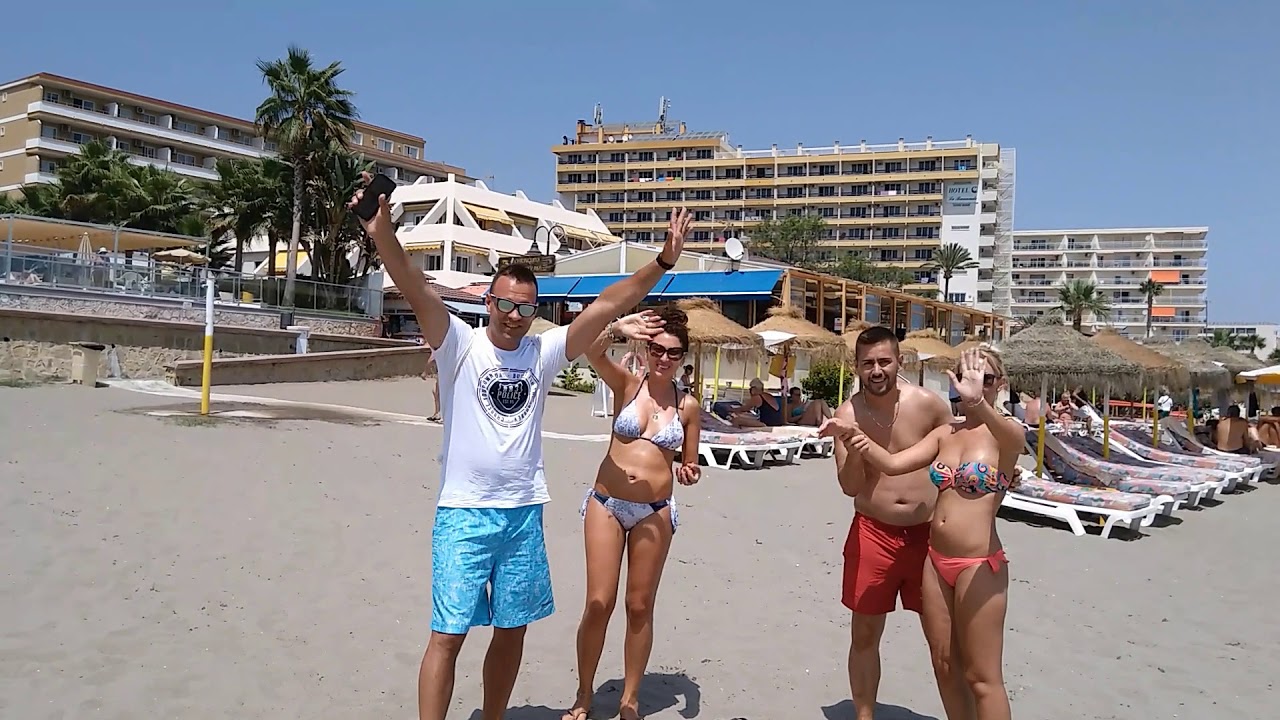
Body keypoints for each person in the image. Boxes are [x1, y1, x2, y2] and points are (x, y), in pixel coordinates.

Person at [349, 172, 692, 720]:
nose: (514, 316)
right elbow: (414, 285)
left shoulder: (542, 352)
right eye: (506, 304)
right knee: (447, 634)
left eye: (526, 308)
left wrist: (663, 261)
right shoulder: (457, 342)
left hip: (523, 512)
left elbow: (608, 303)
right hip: (464, 513)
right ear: (489, 301)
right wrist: (381, 232)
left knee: (512, 631)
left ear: (535, 311)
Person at [846, 347, 1022, 720]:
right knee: (944, 663)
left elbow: (1014, 441)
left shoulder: (1006, 434)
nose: (976, 385)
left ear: (1000, 384)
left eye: (986, 379)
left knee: (982, 677)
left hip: (978, 563)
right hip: (935, 561)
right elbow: (892, 464)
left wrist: (978, 403)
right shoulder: (946, 433)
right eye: (967, 377)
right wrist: (852, 436)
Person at [815, 325, 966, 720]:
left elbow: (959, 453)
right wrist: (853, 445)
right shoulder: (847, 415)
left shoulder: (929, 405)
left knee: (943, 640)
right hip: (873, 532)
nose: (877, 370)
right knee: (865, 635)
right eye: (868, 363)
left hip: (928, 536)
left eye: (884, 361)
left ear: (900, 362)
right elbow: (850, 487)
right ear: (857, 366)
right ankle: (864, 715)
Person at [563, 305, 702, 720]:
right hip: (607, 503)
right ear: (646, 349)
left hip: (654, 511)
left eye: (673, 353)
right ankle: (584, 694)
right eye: (657, 349)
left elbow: (689, 461)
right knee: (598, 602)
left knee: (639, 605)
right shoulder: (626, 383)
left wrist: (689, 471)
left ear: (682, 357)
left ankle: (630, 698)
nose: (663, 358)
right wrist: (617, 327)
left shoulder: (688, 406)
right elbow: (590, 349)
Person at [425, 357, 442, 423]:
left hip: (443, 373)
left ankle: (439, 414)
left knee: (437, 393)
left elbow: (431, 360)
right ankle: (437, 413)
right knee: (436, 392)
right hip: (441, 372)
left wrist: (425, 372)